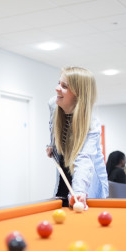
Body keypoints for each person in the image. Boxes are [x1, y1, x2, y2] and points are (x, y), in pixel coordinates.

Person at [46, 66, 108, 209]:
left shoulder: (91, 124)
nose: (57, 88)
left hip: (89, 183)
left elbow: (84, 159)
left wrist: (79, 191)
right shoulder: (53, 105)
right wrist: (51, 145)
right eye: (58, 83)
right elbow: (55, 129)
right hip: (64, 171)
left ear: (78, 94)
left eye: (64, 86)